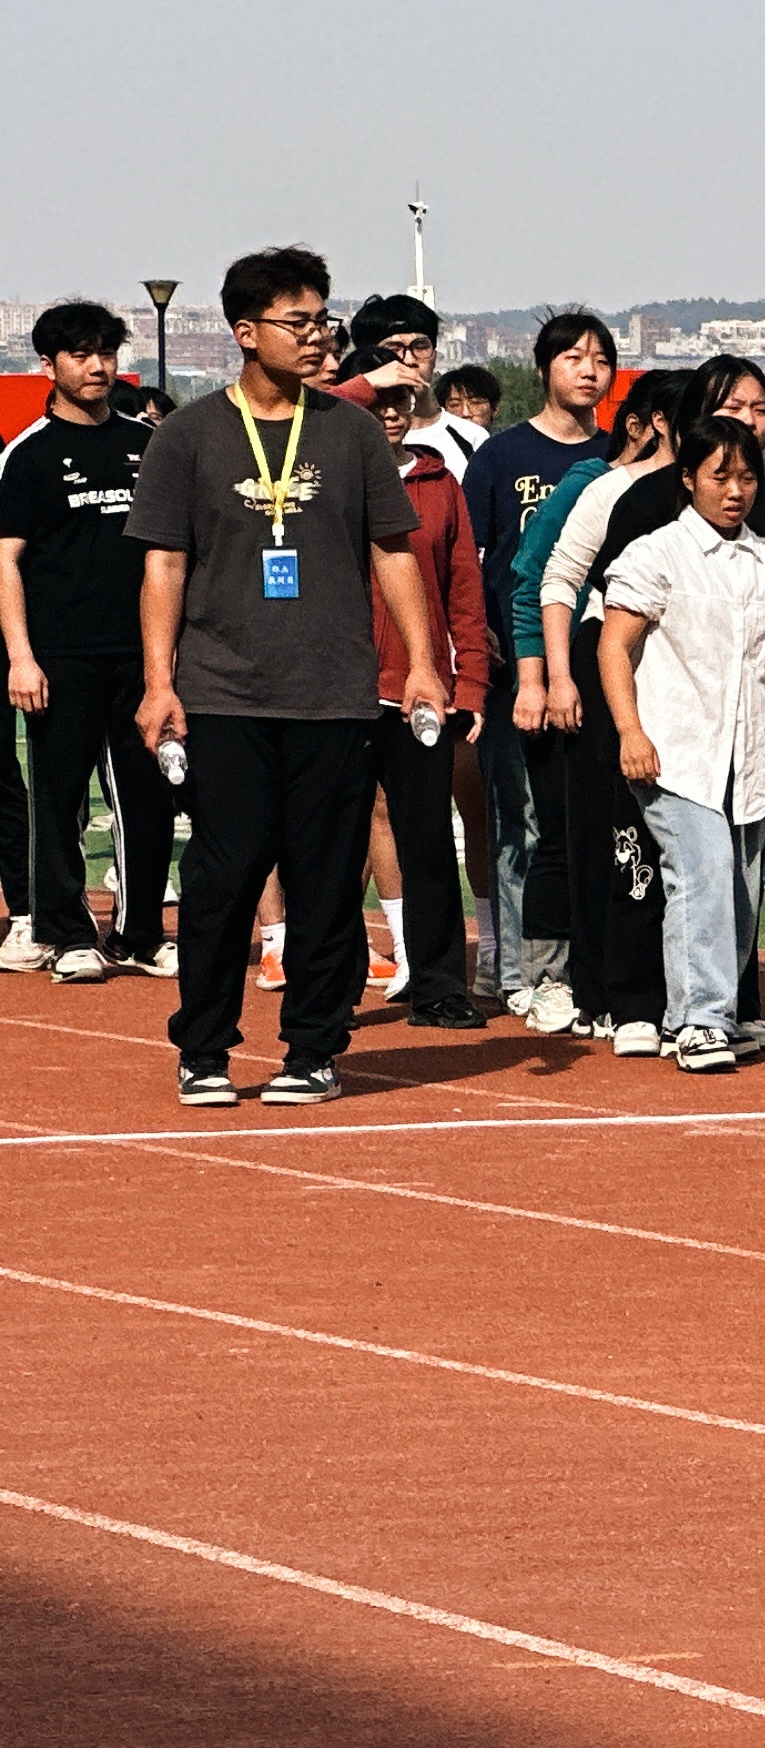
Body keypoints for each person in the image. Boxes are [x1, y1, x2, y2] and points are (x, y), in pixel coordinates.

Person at [131, 246, 446, 1106]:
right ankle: (204, 1049)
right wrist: (159, 682)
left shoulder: (352, 432)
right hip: (222, 693)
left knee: (326, 879)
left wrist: (422, 664)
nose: (316, 337)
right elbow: (163, 565)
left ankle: (313, 1047)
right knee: (224, 875)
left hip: (335, 695)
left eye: (322, 321)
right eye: (296, 322)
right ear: (245, 331)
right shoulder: (189, 435)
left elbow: (393, 551)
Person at [597, 417, 765, 1073]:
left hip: (751, 758)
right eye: (720, 476)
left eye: (748, 477)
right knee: (701, 873)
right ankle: (698, 1020)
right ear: (689, 478)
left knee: (741, 890)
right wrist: (630, 730)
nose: (735, 491)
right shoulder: (656, 554)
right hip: (675, 752)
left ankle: (716, 1013)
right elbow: (613, 647)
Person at [1, 301, 174, 981]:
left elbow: (172, 553)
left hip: (141, 651)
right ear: (49, 365)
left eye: (106, 352)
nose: (97, 366)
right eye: (81, 354)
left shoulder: (148, 444)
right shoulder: (27, 455)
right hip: (61, 654)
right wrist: (21, 657)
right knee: (59, 795)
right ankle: (66, 932)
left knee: (146, 793)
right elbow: (5, 560)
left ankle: (140, 933)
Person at [517, 370, 687, 1047]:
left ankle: (682, 992)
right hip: (602, 671)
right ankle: (583, 985)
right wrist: (550, 677)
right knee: (591, 835)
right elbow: (545, 579)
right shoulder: (606, 488)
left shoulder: (731, 499)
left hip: (689, 686)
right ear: (658, 422)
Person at [464, 310, 616, 1009]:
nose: (589, 371)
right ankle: (517, 969)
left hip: (596, 665)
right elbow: (468, 556)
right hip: (515, 668)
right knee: (520, 818)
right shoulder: (501, 456)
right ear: (543, 369)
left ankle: (581, 962)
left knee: (586, 820)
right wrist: (479, 635)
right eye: (574, 358)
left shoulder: (616, 458)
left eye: (601, 360)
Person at [338, 342, 491, 1026]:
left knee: (427, 840)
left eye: (403, 399)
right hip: (338, 690)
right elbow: (312, 411)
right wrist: (365, 385)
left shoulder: (439, 482)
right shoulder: (323, 476)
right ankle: (331, 987)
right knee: (334, 843)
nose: (393, 412)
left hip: (419, 691)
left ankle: (440, 987)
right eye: (380, 400)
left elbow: (465, 592)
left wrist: (472, 685)